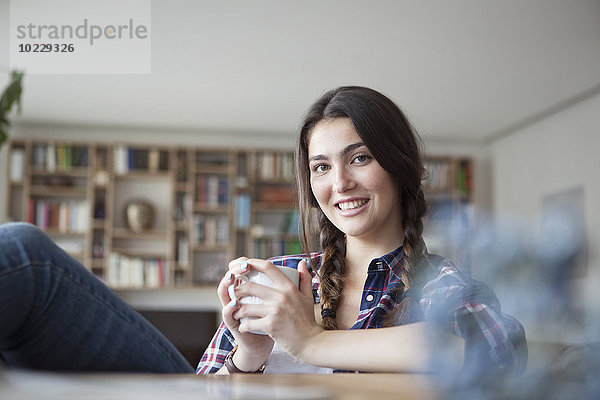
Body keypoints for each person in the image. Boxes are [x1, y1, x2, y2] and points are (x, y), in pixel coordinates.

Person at [196, 86, 527, 375]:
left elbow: (497, 352)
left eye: (360, 158)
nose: (340, 183)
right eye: (322, 167)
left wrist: (311, 341)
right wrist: (248, 358)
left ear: (400, 167)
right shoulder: (281, 278)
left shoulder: (441, 286)